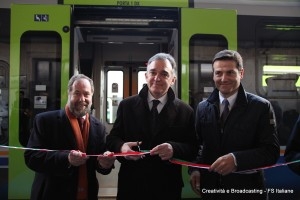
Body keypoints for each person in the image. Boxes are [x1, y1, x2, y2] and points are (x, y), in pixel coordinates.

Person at [189, 50, 280, 200]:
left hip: (247, 192)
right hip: (211, 190)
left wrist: (236, 159)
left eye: (230, 72)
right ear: (213, 75)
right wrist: (195, 169)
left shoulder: (261, 107)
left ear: (241, 73)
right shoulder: (203, 107)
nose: (223, 78)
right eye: (218, 73)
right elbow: (198, 145)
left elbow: (271, 152)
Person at [106, 53, 198, 200]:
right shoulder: (126, 106)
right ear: (146, 76)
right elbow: (112, 139)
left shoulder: (185, 111)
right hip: (131, 186)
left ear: (173, 79)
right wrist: (122, 147)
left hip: (167, 188)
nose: (157, 78)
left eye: (164, 74)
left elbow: (193, 147)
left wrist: (174, 148)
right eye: (153, 72)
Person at [24, 74, 115, 200]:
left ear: (92, 96)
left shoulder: (98, 127)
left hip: (87, 195)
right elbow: (31, 158)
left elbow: (99, 165)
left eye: (86, 94)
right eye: (77, 93)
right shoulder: (45, 121)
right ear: (69, 94)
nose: (82, 99)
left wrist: (105, 164)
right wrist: (66, 159)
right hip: (51, 194)